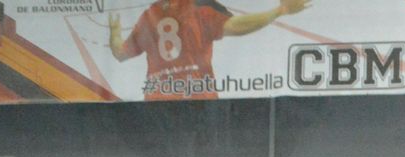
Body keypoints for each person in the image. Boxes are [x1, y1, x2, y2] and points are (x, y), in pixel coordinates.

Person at [108, 0, 311, 101]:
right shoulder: (199, 6)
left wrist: (115, 34)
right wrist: (279, 11)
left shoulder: (148, 15)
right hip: (198, 100)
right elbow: (237, 26)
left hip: (158, 103)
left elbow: (120, 53)